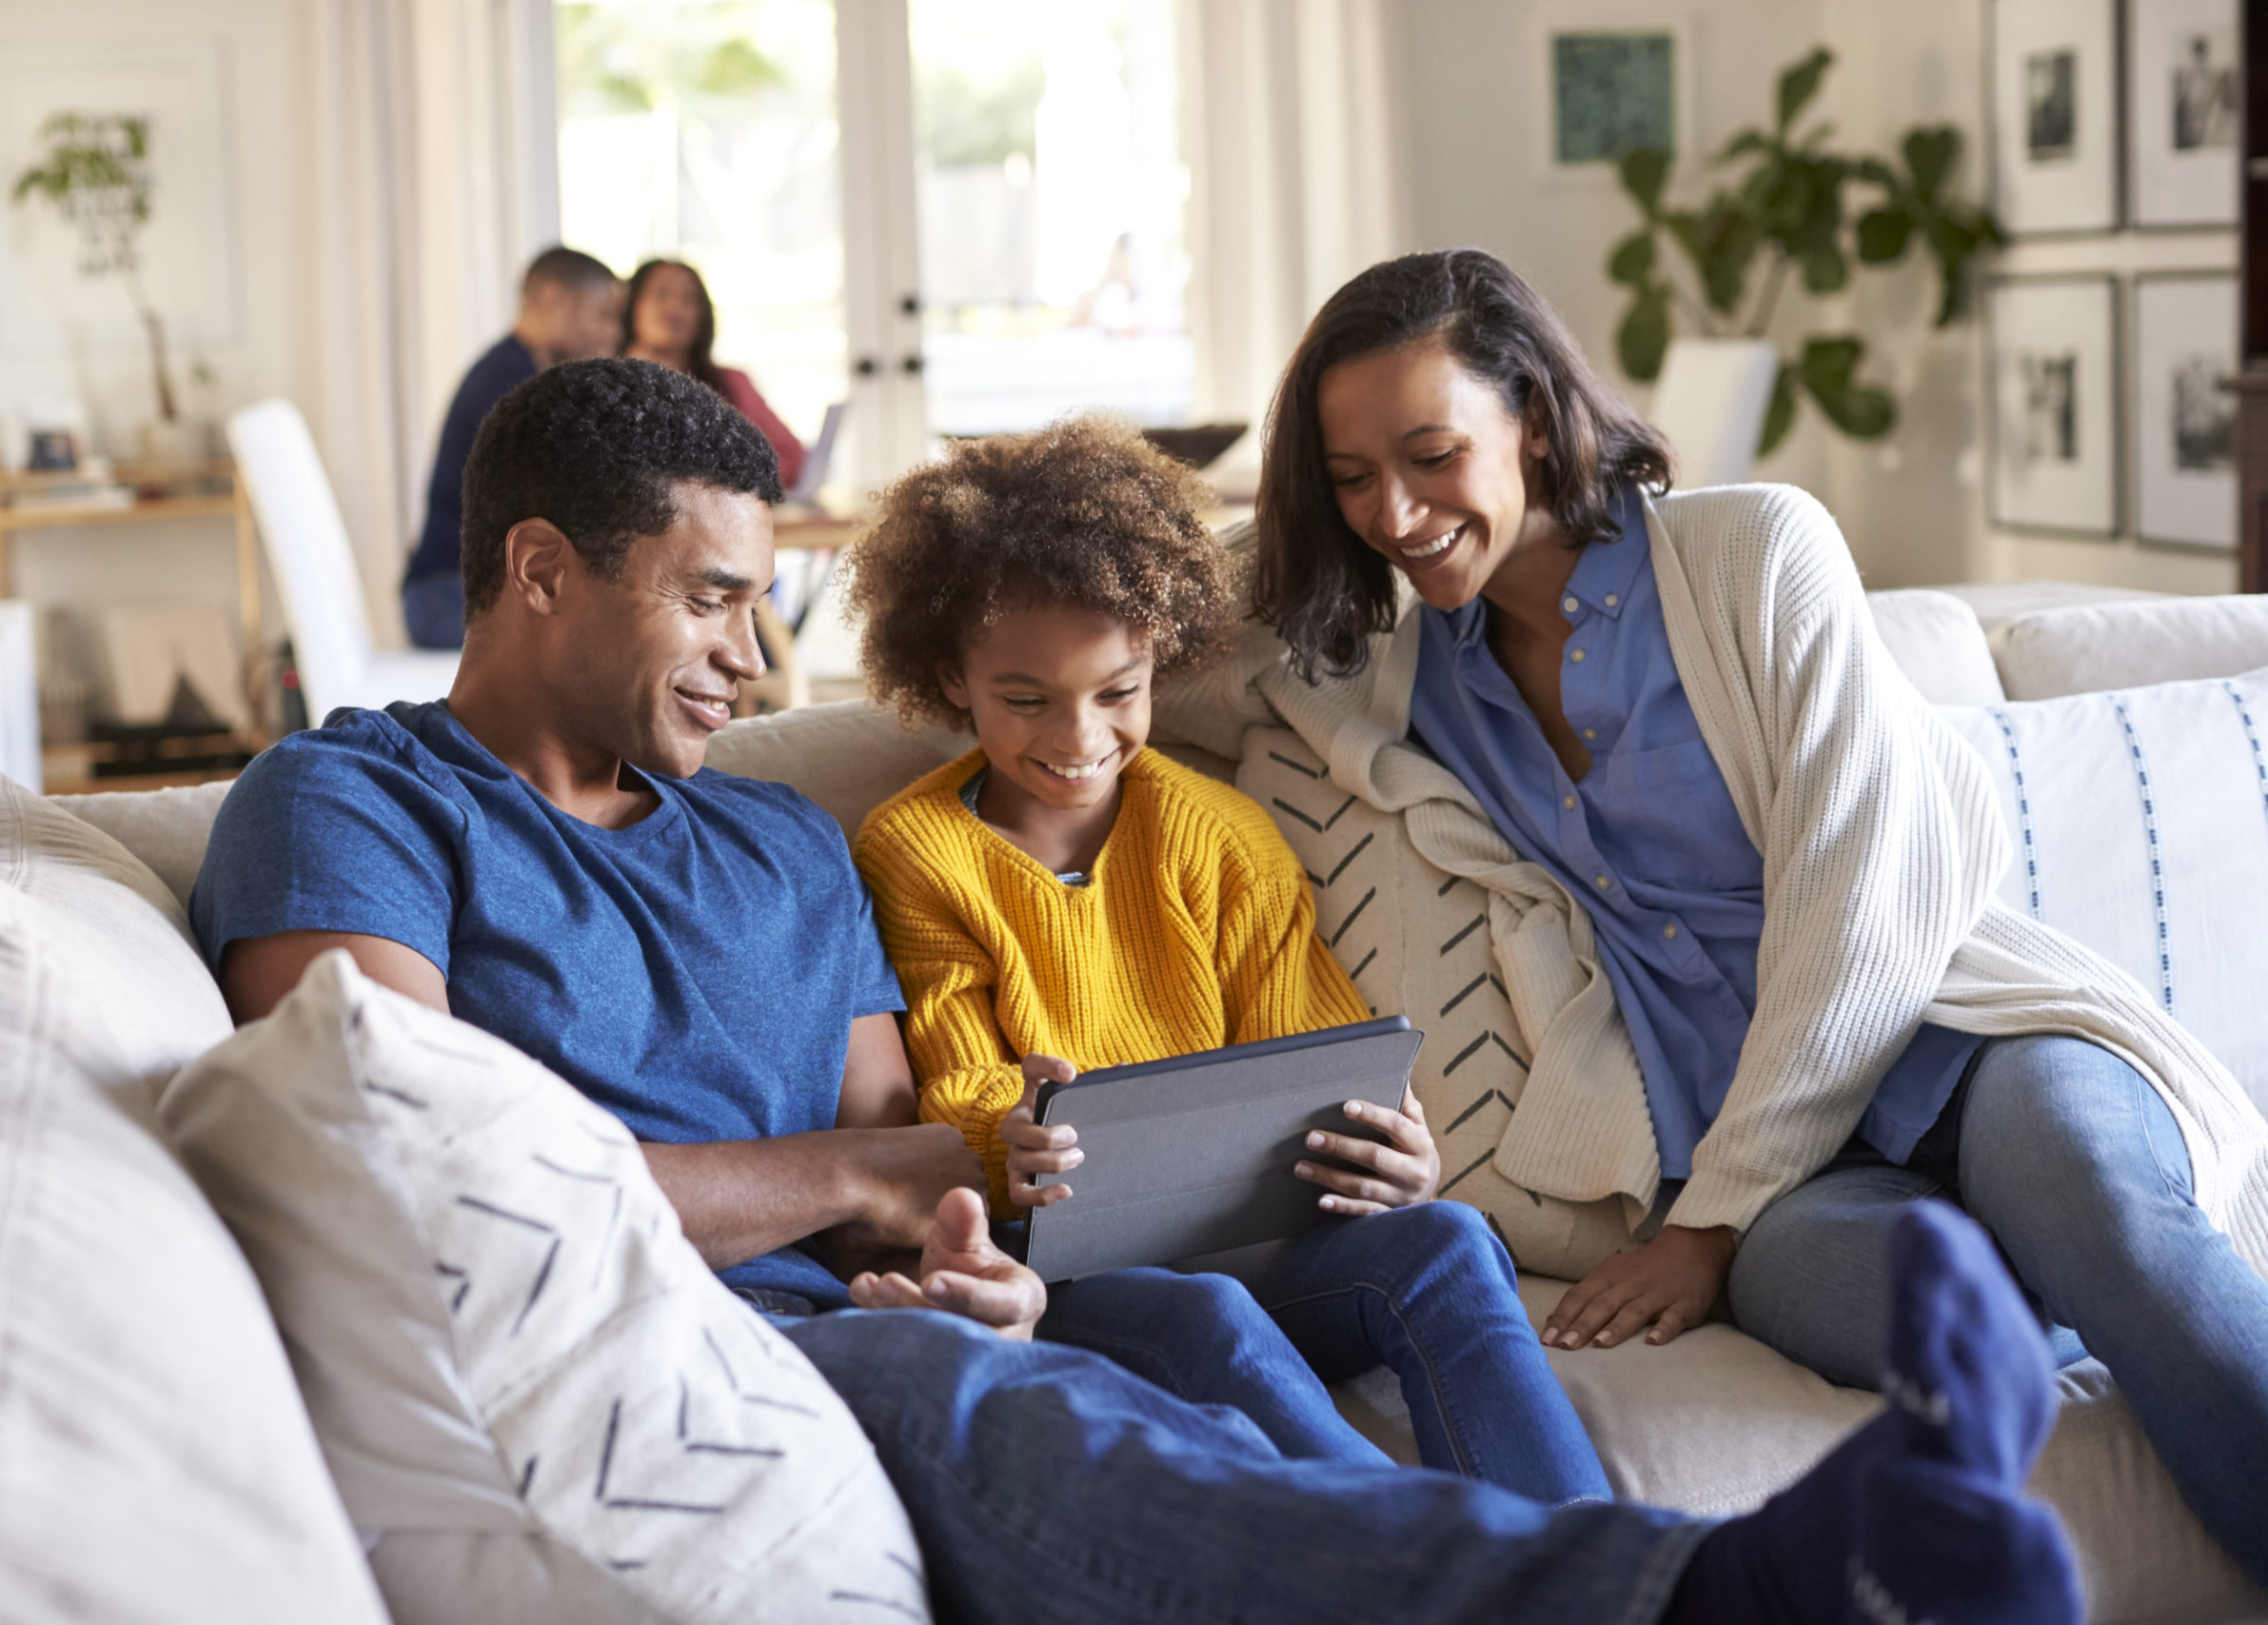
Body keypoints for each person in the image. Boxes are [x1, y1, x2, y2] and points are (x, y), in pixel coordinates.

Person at [187, 355, 2081, 1625]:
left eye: (762, 604)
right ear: (534, 573)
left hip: (891, 1312)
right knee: (1036, 1390)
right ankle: (1723, 1589)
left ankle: (1740, 1572)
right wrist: (887, 1194)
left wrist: (957, 1241)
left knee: (1110, 1358)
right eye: (711, 600)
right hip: (670, 1347)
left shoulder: (773, 846)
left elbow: (890, 1161)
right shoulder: (350, 801)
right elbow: (414, 1164)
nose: (752, 656)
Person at [1252, 246, 2268, 1585]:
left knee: (2101, 1209)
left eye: (1432, 454)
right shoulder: (1406, 682)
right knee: (1929, 1315)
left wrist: (1707, 1220)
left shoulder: (1752, 552)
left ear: (1539, 424)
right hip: (1792, 1181)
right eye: (1351, 478)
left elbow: (1860, 895)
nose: (1394, 510)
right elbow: (1165, 621)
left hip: (1965, 1047)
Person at [843, 415, 1607, 1499]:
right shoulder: (915, 849)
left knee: (1446, 1241)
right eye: (1025, 700)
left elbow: (1316, 1052)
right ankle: (1436, 1569)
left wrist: (1394, 1152)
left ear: (1161, 657)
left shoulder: (1220, 834)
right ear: (948, 676)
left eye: (1119, 691)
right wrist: (1005, 1127)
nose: (1079, 737)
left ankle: (1599, 1562)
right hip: (1065, 1275)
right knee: (1203, 1310)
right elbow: (953, 1081)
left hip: (1255, 1249)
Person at [399, 246, 625, 649]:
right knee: (616, 628)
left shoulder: (515, 371)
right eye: (603, 314)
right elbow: (564, 507)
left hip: (451, 594)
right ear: (553, 297)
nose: (612, 333)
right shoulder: (508, 385)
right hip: (445, 597)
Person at [625, 257, 805, 491]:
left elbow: (794, 459)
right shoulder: (608, 386)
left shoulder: (732, 383)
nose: (675, 308)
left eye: (689, 299)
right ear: (631, 304)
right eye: (661, 294)